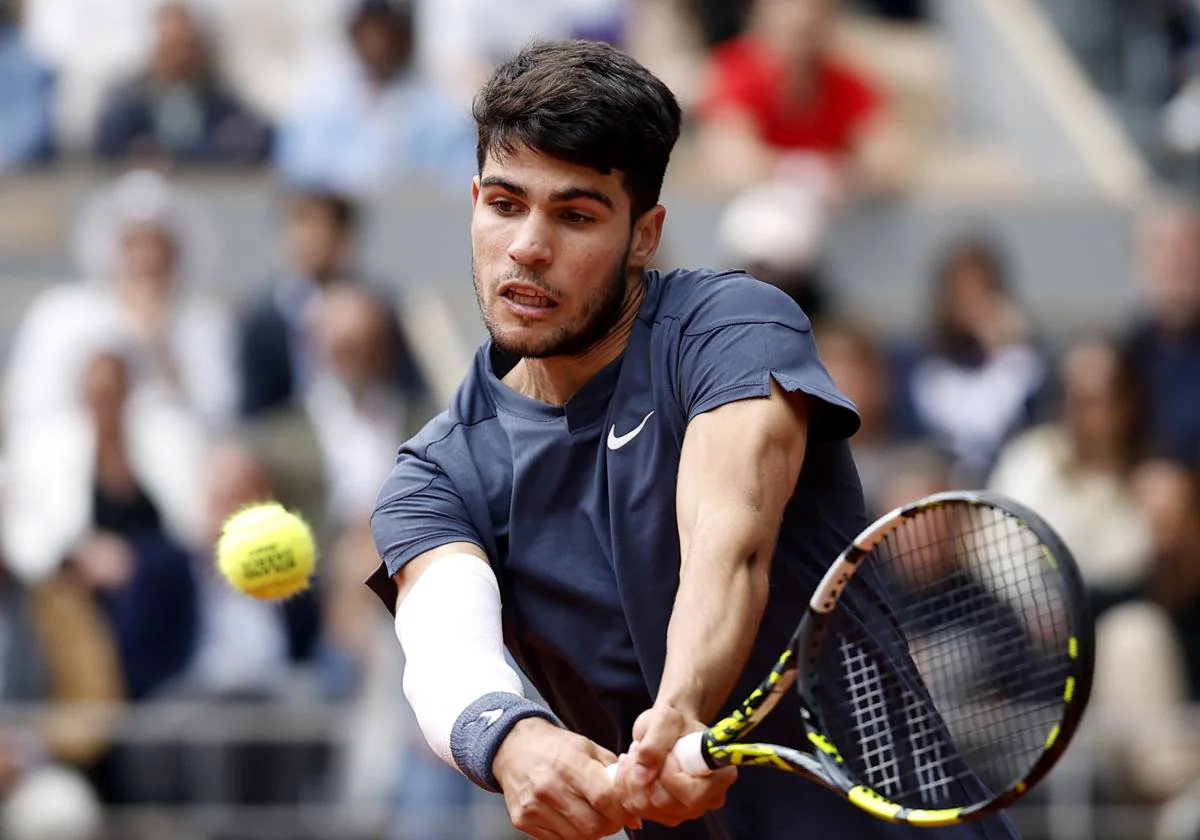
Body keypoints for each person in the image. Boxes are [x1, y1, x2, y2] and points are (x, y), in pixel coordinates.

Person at [368, 40, 1019, 839]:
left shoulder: (732, 328)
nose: (529, 246)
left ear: (645, 236)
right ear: (473, 201)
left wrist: (679, 709)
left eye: (575, 215)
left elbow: (729, 541)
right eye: (504, 204)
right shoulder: (435, 475)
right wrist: (511, 740)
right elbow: (445, 649)